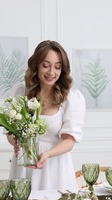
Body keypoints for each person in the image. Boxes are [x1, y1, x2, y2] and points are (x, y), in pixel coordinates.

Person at [7, 40, 86, 191]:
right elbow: (11, 131)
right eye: (45, 65)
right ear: (36, 65)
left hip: (55, 168)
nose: (51, 72)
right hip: (25, 166)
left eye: (57, 67)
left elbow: (69, 140)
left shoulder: (71, 98)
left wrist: (47, 154)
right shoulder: (20, 92)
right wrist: (16, 143)